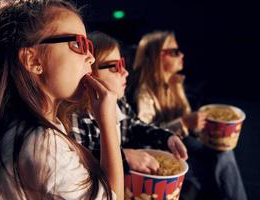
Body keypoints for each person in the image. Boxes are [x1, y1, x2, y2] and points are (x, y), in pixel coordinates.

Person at [0, 1, 123, 199]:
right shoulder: (43, 145)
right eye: (78, 44)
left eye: (88, 45)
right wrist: (107, 123)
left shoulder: (33, 128)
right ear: (33, 60)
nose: (91, 58)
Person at [133, 30, 247, 200]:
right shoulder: (144, 93)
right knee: (211, 164)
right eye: (175, 52)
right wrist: (184, 122)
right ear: (157, 57)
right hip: (163, 150)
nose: (182, 55)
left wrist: (200, 123)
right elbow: (144, 133)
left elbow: (188, 120)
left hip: (184, 142)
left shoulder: (175, 83)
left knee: (224, 152)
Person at [64, 31, 188, 175]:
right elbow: (82, 161)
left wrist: (167, 137)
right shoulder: (76, 117)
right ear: (89, 73)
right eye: (114, 67)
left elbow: (135, 126)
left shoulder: (119, 102)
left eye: (122, 64)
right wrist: (123, 156)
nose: (125, 72)